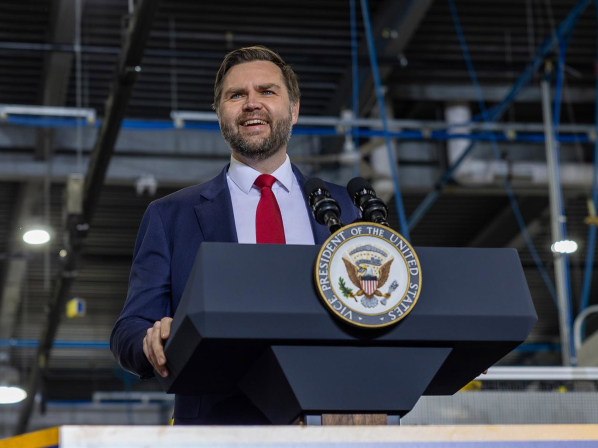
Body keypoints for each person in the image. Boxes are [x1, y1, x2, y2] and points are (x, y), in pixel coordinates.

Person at [110, 46, 360, 425]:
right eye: (236, 95)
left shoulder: (346, 209)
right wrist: (153, 340)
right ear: (220, 114)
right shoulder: (170, 215)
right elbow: (129, 330)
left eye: (267, 91)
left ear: (293, 109)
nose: (251, 103)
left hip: (333, 421)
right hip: (218, 427)